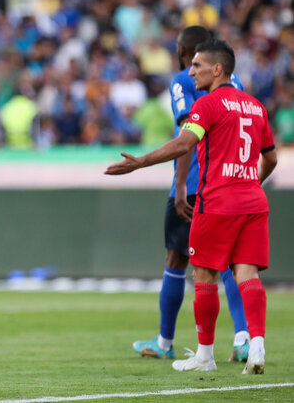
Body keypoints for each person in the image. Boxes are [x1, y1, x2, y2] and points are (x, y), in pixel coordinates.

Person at [106, 39, 277, 375]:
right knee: (247, 273)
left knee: (204, 274)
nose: (191, 71)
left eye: (197, 65)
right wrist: (252, 182)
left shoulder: (208, 105)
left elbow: (185, 143)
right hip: (253, 200)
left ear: (217, 69)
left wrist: (140, 162)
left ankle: (205, 355)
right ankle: (256, 345)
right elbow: (270, 157)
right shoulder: (256, 107)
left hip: (217, 200)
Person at [132, 26, 250, 362]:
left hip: (197, 182)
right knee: (229, 261)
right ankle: (243, 338)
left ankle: (166, 343)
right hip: (230, 181)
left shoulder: (183, 80)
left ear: (184, 54)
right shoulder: (234, 81)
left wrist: (181, 184)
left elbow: (188, 135)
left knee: (176, 259)